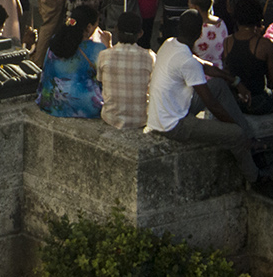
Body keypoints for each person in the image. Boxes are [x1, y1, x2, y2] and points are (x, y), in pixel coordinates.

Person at [146, 9, 258, 181]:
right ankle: (254, 177)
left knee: (218, 84)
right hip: (174, 124)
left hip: (166, 112)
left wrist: (234, 80)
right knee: (236, 134)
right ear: (200, 32)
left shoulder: (170, 43)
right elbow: (211, 103)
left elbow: (203, 65)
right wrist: (235, 127)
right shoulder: (186, 61)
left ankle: (250, 139)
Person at [37, 4, 109, 118]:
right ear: (89, 27)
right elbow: (109, 76)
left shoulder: (56, 41)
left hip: (50, 102)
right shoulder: (97, 49)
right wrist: (108, 46)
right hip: (85, 105)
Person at [94, 12, 154, 129]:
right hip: (140, 119)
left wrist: (109, 45)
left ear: (116, 30)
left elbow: (100, 80)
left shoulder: (104, 55)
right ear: (140, 33)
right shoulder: (150, 57)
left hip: (111, 117)